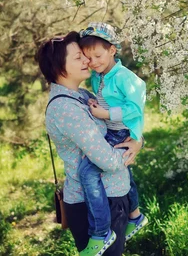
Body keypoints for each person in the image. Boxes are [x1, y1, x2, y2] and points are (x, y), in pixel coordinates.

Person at [37, 31, 143, 256]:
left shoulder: (83, 96)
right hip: (94, 206)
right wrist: (130, 149)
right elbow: (109, 161)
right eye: (78, 57)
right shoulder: (65, 108)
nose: (87, 60)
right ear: (58, 68)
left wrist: (137, 141)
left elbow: (121, 123)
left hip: (112, 196)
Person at [77, 22, 149, 250]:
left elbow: (134, 108)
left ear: (112, 50)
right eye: (88, 58)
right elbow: (106, 99)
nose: (93, 62)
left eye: (98, 55)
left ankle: (100, 232)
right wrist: (96, 104)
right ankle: (135, 215)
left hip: (121, 131)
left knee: (88, 171)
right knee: (124, 168)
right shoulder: (99, 76)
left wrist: (106, 113)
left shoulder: (125, 77)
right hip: (111, 129)